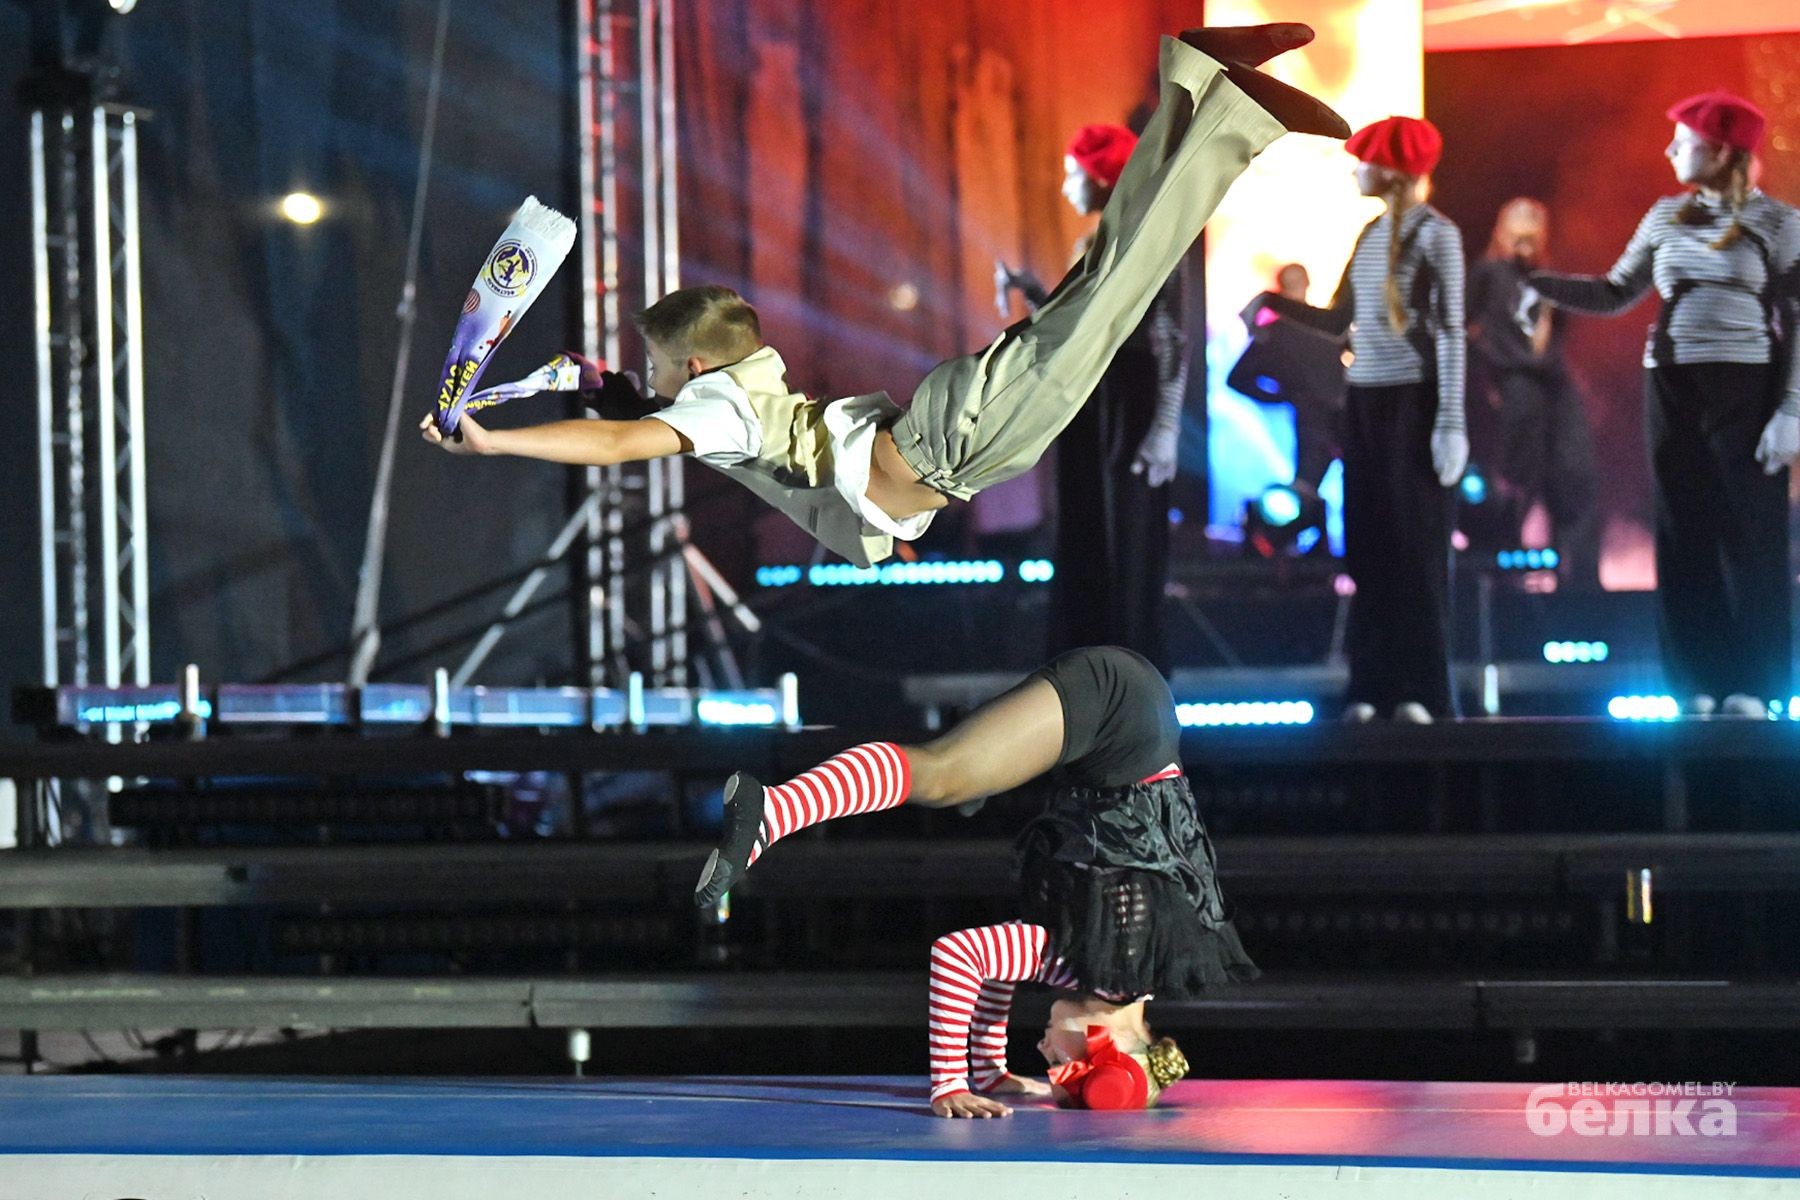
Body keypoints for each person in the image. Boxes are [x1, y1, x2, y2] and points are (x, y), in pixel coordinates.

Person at [423, 26, 1349, 571]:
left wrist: (497, 441)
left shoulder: (716, 409)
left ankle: (1229, 115)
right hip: (953, 440)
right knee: (1105, 281)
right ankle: (1192, 84)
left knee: (1115, 286)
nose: (653, 380)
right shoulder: (733, 389)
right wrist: (581, 387)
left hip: (955, 442)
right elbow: (629, 409)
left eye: (660, 366)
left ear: (695, 367)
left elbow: (622, 440)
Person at [689, 645, 1255, 1117]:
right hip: (1118, 710)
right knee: (942, 774)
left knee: (961, 776)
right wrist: (950, 1084)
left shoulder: (1127, 970)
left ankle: (978, 780)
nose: (1043, 1051)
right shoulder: (1092, 962)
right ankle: (774, 810)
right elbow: (959, 956)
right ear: (1100, 1042)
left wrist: (990, 1070)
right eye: (1058, 1062)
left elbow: (1000, 969)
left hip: (1131, 720)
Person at [1529, 93, 1800, 718]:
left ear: (1721, 152)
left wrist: (1791, 410)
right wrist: (1538, 285)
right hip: (1672, 383)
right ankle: (1694, 684)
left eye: (1684, 140)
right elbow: (1614, 292)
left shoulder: (1778, 222)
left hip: (1747, 384)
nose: (1669, 150)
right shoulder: (1666, 216)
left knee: (1750, 534)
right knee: (1682, 533)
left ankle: (1756, 687)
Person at [1249, 116, 1468, 723]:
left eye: (1364, 161)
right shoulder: (1370, 233)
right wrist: (1272, 304)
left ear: (1391, 170)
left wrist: (1451, 421)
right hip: (1364, 402)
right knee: (1369, 546)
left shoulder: (1437, 234)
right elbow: (1338, 317)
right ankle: (1371, 687)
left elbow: (1451, 331)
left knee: (1415, 547)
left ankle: (1423, 691)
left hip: (1415, 401)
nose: (1355, 172)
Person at [995, 121, 1188, 669]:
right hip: (1090, 398)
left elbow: (1173, 337)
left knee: (1129, 539)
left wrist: (1166, 427)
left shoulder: (1150, 236)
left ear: (1102, 178)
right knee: (1085, 534)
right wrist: (1031, 289)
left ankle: (1131, 668)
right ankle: (1087, 668)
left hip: (1130, 400)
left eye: (1072, 174)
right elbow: (1076, 330)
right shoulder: (1095, 244)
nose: (1066, 187)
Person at [1467, 198, 1602, 591]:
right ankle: (1502, 576)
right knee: (1515, 478)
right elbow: (1461, 325)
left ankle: (1578, 579)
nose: (1524, 244)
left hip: (1552, 382)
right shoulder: (1489, 273)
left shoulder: (1547, 277)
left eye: (1532, 234)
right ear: (1503, 233)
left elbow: (1559, 331)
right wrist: (1488, 377)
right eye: (1518, 234)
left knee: (1575, 473)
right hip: (1514, 382)